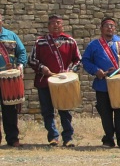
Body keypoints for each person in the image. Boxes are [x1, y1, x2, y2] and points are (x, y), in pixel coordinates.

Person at [28, 15, 82, 147]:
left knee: (65, 109)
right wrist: (42, 68)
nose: (55, 25)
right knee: (47, 110)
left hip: (64, 81)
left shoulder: (70, 41)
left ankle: (68, 138)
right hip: (45, 81)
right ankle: (53, 137)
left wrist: (69, 70)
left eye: (58, 23)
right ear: (48, 26)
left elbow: (78, 60)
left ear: (62, 25)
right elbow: (31, 60)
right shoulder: (40, 42)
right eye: (52, 23)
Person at [82, 17, 120, 149]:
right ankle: (109, 139)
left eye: (112, 26)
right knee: (105, 113)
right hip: (103, 84)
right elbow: (86, 61)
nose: (110, 28)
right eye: (107, 25)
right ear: (101, 28)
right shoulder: (94, 45)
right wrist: (96, 70)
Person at [0, 13, 27, 147]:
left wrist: (21, 64)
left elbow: (22, 52)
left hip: (8, 79)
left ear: (2, 21)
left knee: (10, 110)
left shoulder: (11, 36)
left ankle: (12, 138)